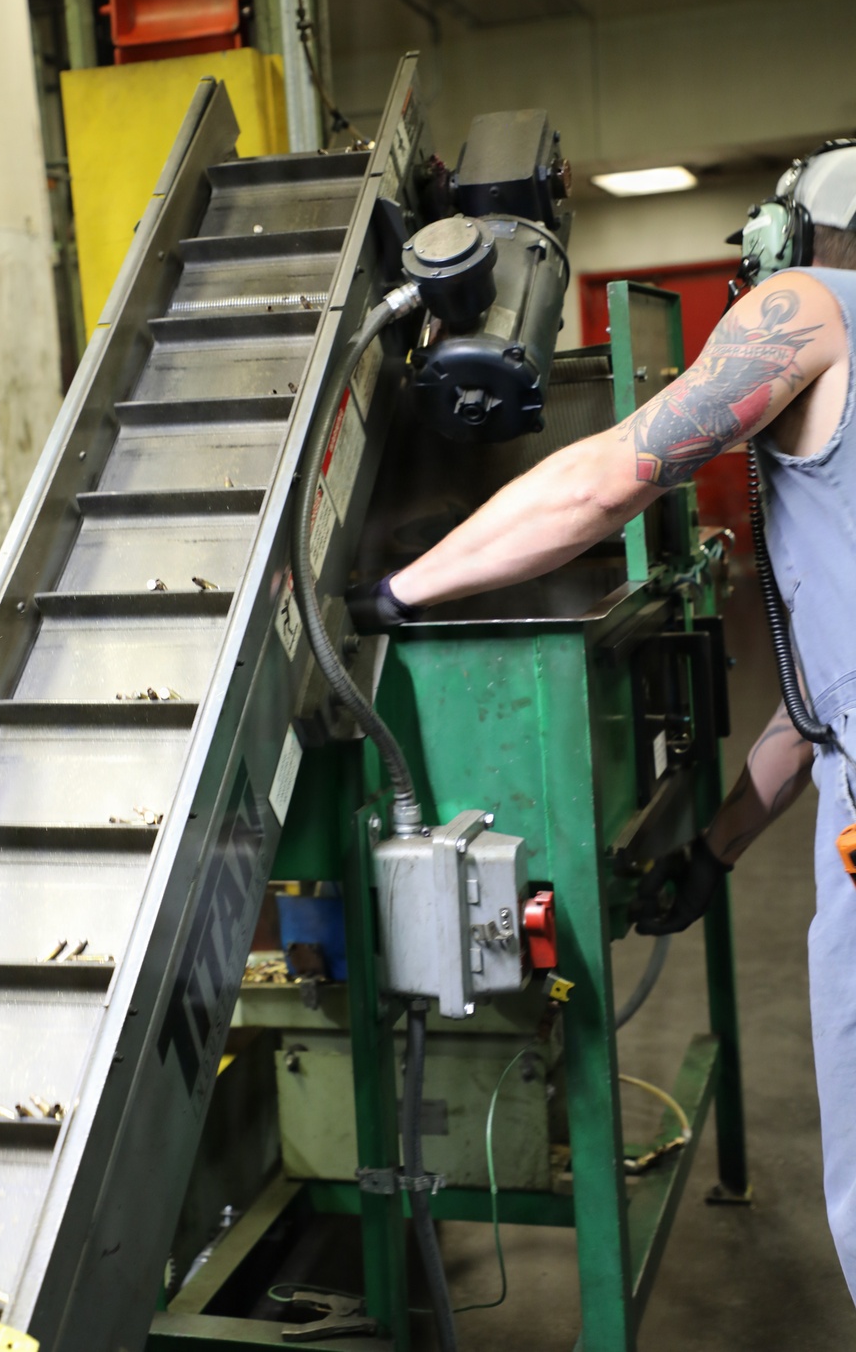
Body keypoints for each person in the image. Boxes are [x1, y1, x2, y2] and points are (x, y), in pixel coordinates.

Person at [350, 141, 856, 1301]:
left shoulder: (806, 306)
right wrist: (715, 848)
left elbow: (606, 483)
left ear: (786, 238)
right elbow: (823, 706)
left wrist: (402, 589)